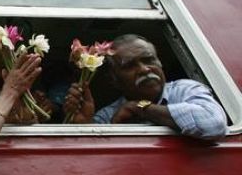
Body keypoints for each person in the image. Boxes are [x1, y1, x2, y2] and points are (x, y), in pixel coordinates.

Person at [63, 34, 227, 141]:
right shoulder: (107, 115)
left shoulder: (185, 90)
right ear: (114, 80)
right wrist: (84, 125)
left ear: (160, 63)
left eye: (149, 60)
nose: (144, 69)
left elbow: (214, 124)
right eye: (129, 66)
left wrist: (140, 108)